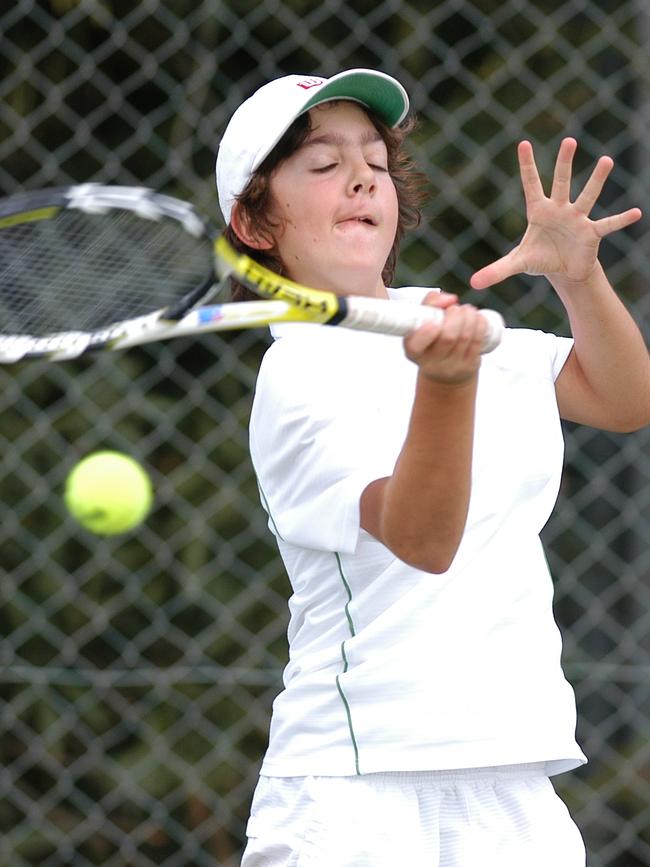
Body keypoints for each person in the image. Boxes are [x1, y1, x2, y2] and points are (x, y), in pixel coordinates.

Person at [215, 69, 650, 867]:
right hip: (356, 791)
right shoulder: (300, 374)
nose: (359, 176)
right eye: (321, 163)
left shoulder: (451, 324)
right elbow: (422, 536)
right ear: (253, 220)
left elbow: (624, 398)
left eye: (375, 163)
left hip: (514, 782)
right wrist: (445, 385)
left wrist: (577, 277)